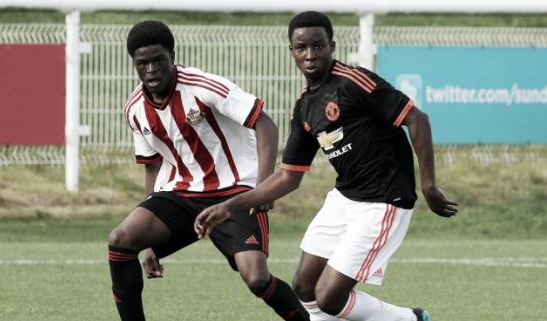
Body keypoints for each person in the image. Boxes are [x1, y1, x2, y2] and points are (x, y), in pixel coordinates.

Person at [194, 11, 458, 321]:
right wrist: (229, 206)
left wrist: (428, 185)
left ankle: (410, 319)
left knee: (330, 298)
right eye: (301, 48)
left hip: (384, 200)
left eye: (318, 46)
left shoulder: (354, 81)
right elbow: (288, 177)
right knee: (304, 287)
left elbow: (417, 119)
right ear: (292, 51)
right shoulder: (305, 106)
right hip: (345, 199)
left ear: (331, 46)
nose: (310, 55)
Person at [108, 20, 309, 321]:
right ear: (134, 65)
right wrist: (148, 242)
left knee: (256, 278)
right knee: (121, 239)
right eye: (142, 63)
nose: (151, 69)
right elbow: (152, 166)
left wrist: (262, 187)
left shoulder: (203, 86)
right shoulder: (135, 109)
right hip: (181, 194)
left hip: (236, 193)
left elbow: (265, 124)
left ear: (172, 56)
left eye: (158, 60)